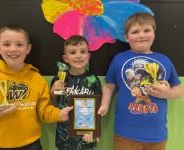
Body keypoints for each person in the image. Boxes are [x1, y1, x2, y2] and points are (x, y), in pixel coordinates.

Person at [0, 24, 73, 150]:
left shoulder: (37, 78)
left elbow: (44, 110)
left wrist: (59, 114)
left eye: (19, 44)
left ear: (28, 48)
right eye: (6, 44)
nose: (13, 49)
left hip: (31, 143)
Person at [98, 12, 183, 150]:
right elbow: (109, 86)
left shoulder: (165, 60)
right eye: (135, 31)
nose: (141, 35)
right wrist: (104, 105)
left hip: (157, 135)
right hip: (126, 134)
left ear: (154, 34)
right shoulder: (119, 59)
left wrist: (166, 93)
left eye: (147, 30)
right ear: (126, 37)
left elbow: (178, 90)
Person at [50, 35, 101, 150]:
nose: (78, 56)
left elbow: (96, 109)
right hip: (64, 136)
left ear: (88, 56)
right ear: (65, 58)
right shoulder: (59, 78)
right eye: (73, 52)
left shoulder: (93, 80)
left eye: (82, 52)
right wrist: (53, 90)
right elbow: (55, 105)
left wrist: (94, 131)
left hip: (85, 136)